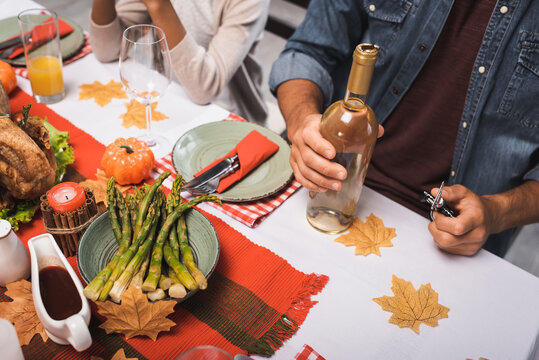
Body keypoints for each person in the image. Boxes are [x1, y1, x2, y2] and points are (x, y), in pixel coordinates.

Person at [269, 0, 539, 257]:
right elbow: (308, 51)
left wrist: (497, 212)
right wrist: (301, 120)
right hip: (324, 189)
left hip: (447, 233)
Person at [89, 0, 269, 126]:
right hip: (168, 104)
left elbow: (204, 89)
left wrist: (158, 4)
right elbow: (107, 50)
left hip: (230, 119)